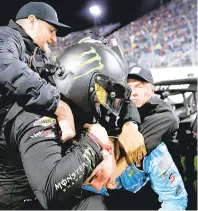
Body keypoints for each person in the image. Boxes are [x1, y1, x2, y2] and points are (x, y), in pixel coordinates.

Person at [0, 39, 142, 210]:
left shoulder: (70, 104)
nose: (106, 106)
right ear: (83, 83)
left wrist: (130, 124)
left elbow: (122, 101)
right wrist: (95, 141)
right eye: (103, 95)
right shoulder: (37, 113)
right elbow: (50, 192)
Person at [83, 65, 188, 210]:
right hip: (127, 187)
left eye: (139, 86)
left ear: (151, 91)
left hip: (162, 185)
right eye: (129, 86)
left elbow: (138, 144)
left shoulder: (161, 111)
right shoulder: (118, 110)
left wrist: (116, 170)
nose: (133, 92)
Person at [0, 2, 76, 143]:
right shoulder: (7, 35)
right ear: (32, 21)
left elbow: (66, 85)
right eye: (51, 30)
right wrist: (58, 105)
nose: (54, 38)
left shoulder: (42, 54)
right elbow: (4, 65)